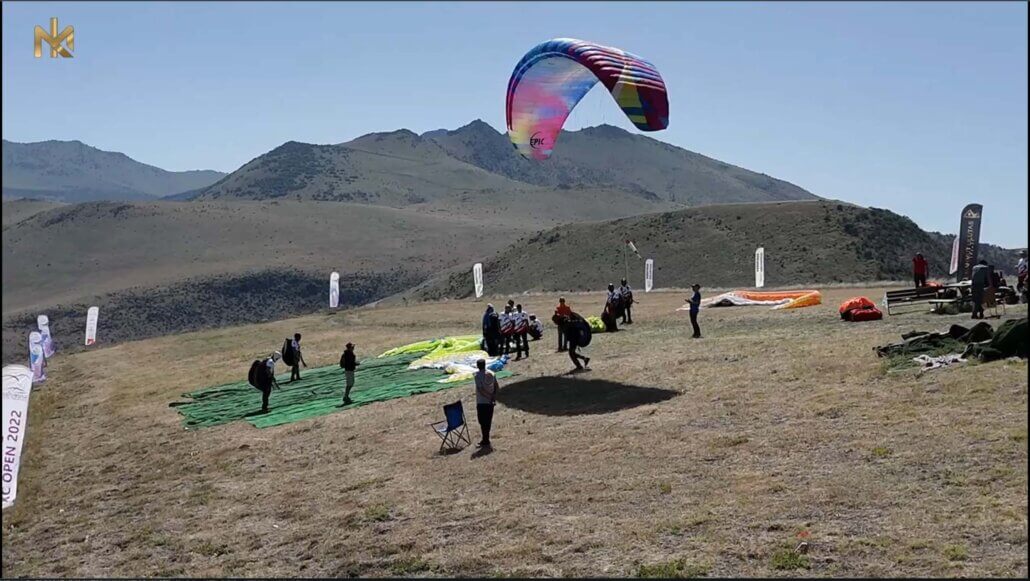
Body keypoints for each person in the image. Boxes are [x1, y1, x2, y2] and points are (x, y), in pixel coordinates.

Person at [473, 358, 499, 449]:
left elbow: (481, 390)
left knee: (482, 421)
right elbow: (496, 386)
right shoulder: (492, 373)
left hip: (482, 402)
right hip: (490, 402)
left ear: (477, 366)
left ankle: (485, 440)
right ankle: (486, 439)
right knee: (488, 421)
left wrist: (489, 397)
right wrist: (493, 397)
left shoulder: (477, 376)